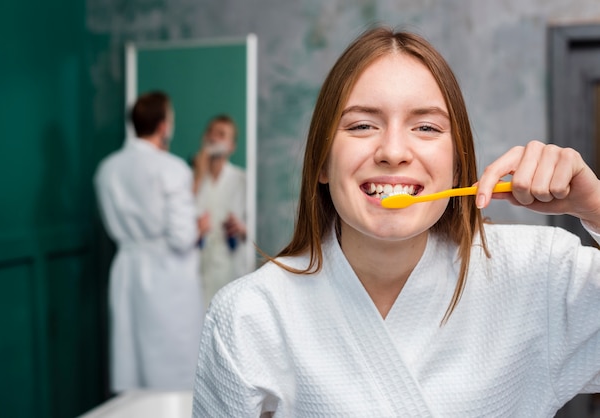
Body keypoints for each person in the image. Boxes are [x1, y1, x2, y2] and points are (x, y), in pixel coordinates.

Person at [191, 26, 600, 417]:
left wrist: (596, 206)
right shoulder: (248, 317)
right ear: (322, 163)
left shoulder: (540, 274)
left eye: (425, 127)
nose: (392, 150)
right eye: (362, 125)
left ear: (458, 167)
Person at [94, 91, 205, 392]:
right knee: (175, 368)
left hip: (126, 271)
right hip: (167, 276)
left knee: (132, 363)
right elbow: (182, 238)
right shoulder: (171, 169)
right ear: (162, 126)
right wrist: (199, 226)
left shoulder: (106, 171)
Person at [193, 114, 252, 307]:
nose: (213, 137)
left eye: (221, 134)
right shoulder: (190, 180)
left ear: (231, 146)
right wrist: (197, 176)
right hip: (197, 272)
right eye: (210, 132)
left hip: (231, 271)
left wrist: (242, 229)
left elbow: (257, 230)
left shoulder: (243, 181)